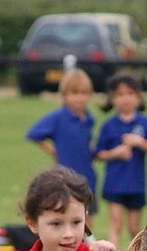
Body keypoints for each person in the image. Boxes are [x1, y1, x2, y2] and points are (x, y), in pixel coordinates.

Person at [95, 72, 147, 251]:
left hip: (136, 184)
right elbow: (98, 153)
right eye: (120, 94)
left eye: (130, 94)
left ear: (139, 97)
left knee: (134, 228)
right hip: (114, 183)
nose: (126, 99)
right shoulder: (109, 125)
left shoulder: (146, 124)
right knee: (116, 224)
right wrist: (114, 153)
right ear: (113, 98)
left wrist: (140, 143)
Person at [26, 69, 98, 229]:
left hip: (87, 177)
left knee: (88, 222)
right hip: (66, 178)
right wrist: (52, 149)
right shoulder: (58, 118)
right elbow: (34, 133)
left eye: (84, 93)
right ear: (64, 95)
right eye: (74, 93)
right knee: (68, 218)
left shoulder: (89, 119)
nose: (79, 98)